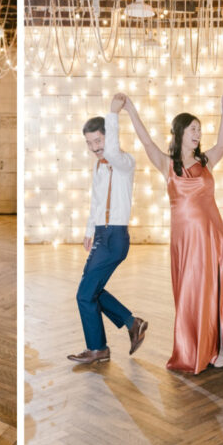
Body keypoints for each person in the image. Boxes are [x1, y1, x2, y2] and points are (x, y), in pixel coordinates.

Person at [125, 89, 223, 374]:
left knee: (218, 292)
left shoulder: (206, 161)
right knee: (194, 295)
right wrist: (131, 108)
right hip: (186, 243)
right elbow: (146, 141)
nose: (197, 134)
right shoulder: (167, 165)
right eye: (193, 129)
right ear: (180, 132)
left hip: (214, 238)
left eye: (199, 130)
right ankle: (196, 350)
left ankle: (220, 349)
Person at [66, 93, 148, 365]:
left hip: (114, 237)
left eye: (98, 141)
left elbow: (112, 151)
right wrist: (90, 230)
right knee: (92, 289)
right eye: (90, 143)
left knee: (84, 294)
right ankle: (131, 323)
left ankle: (98, 348)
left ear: (109, 137)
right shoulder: (98, 167)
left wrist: (114, 113)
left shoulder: (124, 162)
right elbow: (96, 201)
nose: (95, 148)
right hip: (102, 234)